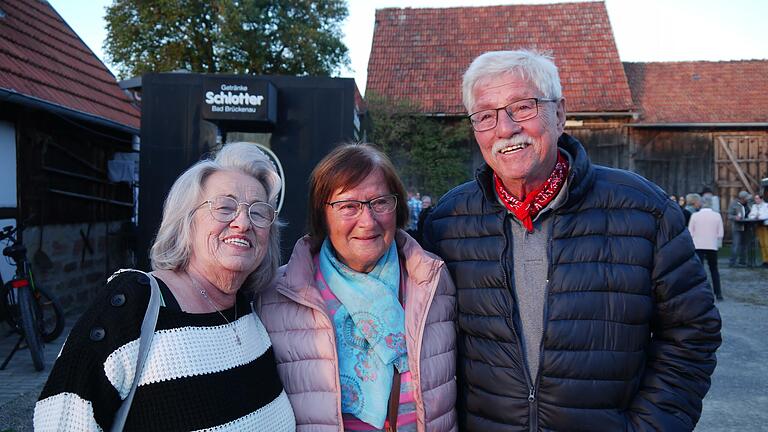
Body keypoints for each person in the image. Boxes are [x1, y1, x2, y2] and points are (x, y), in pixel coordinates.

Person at [422, 50, 721, 431]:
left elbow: (692, 333)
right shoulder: (449, 221)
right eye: (485, 115)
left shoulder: (645, 210)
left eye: (523, 107)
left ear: (559, 114)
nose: (505, 128)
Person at [35, 143, 295, 431]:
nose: (243, 222)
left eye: (258, 212)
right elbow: (59, 419)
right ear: (187, 222)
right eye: (224, 207)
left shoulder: (249, 307)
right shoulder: (133, 304)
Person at [259, 144, 457, 431]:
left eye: (380, 202)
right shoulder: (279, 295)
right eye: (348, 206)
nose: (368, 220)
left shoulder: (432, 281)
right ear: (322, 213)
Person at [689, 195, 724, 300]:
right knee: (714, 269)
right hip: (712, 245)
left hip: (698, 245)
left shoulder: (695, 215)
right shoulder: (717, 216)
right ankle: (718, 293)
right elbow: (720, 234)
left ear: (701, 203)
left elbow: (690, 232)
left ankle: (698, 292)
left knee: (698, 270)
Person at [728, 190, 752, 267]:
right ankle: (732, 262)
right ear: (742, 198)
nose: (748, 199)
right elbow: (729, 215)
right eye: (746, 198)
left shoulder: (749, 204)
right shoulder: (734, 204)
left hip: (747, 226)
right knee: (736, 245)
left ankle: (743, 261)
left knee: (745, 245)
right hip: (737, 227)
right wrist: (735, 217)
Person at [747, 193, 768, 267]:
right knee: (762, 244)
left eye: (757, 198)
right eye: (755, 199)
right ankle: (765, 260)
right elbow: (750, 215)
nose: (756, 200)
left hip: (765, 226)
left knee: (766, 243)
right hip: (758, 226)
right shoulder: (754, 206)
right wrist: (755, 216)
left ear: (761, 199)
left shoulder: (766, 205)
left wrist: (758, 216)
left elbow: (766, 215)